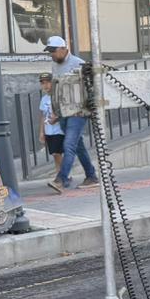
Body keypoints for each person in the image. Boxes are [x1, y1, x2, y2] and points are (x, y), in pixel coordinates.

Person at [43, 35, 98, 193]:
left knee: (69, 145)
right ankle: (91, 176)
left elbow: (91, 88)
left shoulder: (79, 64)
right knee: (77, 146)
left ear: (63, 49)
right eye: (50, 52)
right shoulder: (55, 66)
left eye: (53, 51)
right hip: (63, 113)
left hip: (79, 112)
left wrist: (90, 108)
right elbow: (56, 91)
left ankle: (62, 179)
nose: (52, 54)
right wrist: (55, 112)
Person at [37, 73, 65, 181]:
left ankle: (62, 175)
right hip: (49, 130)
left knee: (58, 153)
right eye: (43, 83)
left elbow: (64, 112)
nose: (46, 85)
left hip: (59, 130)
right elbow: (43, 116)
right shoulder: (44, 99)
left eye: (48, 82)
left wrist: (57, 118)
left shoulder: (58, 96)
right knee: (54, 154)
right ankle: (60, 174)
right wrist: (41, 132)